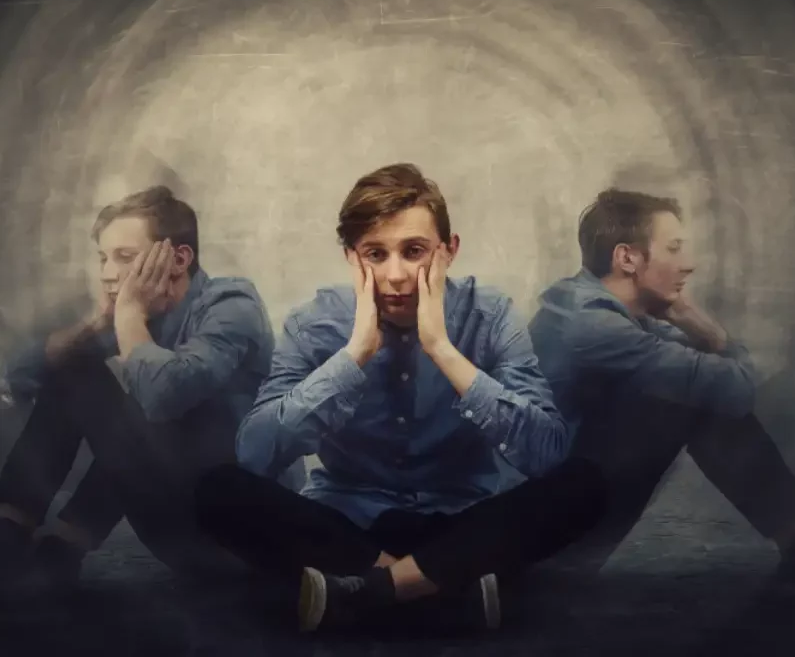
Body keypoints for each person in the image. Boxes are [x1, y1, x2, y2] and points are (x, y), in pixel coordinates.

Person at [195, 163, 606, 634]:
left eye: (414, 252)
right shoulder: (314, 322)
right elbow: (254, 453)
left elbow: (547, 453)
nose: (395, 276)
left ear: (448, 251)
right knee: (218, 490)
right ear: (352, 257)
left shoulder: (489, 315)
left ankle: (365, 594)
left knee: (582, 483)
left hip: (460, 522)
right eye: (375, 253)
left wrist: (444, 351)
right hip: (348, 528)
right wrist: (353, 357)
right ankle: (439, 589)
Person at [0, 185, 303, 589]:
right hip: (173, 524)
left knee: (124, 394)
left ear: (178, 258)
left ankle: (48, 541)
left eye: (125, 257)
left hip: (241, 538)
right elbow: (21, 375)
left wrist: (126, 314)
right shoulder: (146, 316)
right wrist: (96, 323)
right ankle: (27, 537)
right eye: (103, 258)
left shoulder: (232, 305)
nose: (108, 272)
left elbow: (164, 395)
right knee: (76, 370)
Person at [527, 188, 795, 570]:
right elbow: (737, 389)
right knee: (693, 398)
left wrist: (701, 337)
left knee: (689, 388)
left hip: (561, 509)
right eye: (674, 248)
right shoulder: (593, 327)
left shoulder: (597, 310)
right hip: (540, 536)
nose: (689, 264)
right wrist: (710, 331)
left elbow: (715, 375)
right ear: (627, 258)